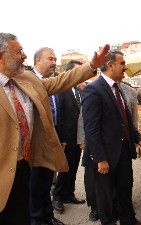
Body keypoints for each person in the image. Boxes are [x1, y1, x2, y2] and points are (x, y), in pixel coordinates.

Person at [0, 32, 109, 225]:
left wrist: (91, 66)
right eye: (19, 52)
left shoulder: (26, 79)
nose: (25, 56)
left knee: (22, 214)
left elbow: (59, 81)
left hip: (24, 165)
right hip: (2, 172)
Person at [82, 50, 141, 225]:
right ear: (110, 65)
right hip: (105, 154)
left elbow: (125, 119)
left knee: (125, 189)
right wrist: (100, 158)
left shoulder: (118, 88)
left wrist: (137, 137)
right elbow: (91, 129)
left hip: (123, 151)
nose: (125, 67)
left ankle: (129, 220)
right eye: (122, 63)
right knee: (105, 196)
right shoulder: (93, 90)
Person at [29, 47, 64, 225]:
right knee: (36, 185)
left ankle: (48, 216)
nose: (54, 62)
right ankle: (37, 219)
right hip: (35, 145)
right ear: (37, 61)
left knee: (46, 182)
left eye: (55, 59)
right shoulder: (27, 81)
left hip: (52, 139)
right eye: (50, 59)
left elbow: (56, 113)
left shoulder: (51, 82)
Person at [52, 60, 86, 214]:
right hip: (66, 138)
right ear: (70, 73)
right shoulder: (61, 90)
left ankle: (69, 194)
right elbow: (58, 116)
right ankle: (58, 197)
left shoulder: (79, 90)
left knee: (73, 167)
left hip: (78, 138)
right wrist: (61, 139)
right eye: (78, 71)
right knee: (64, 168)